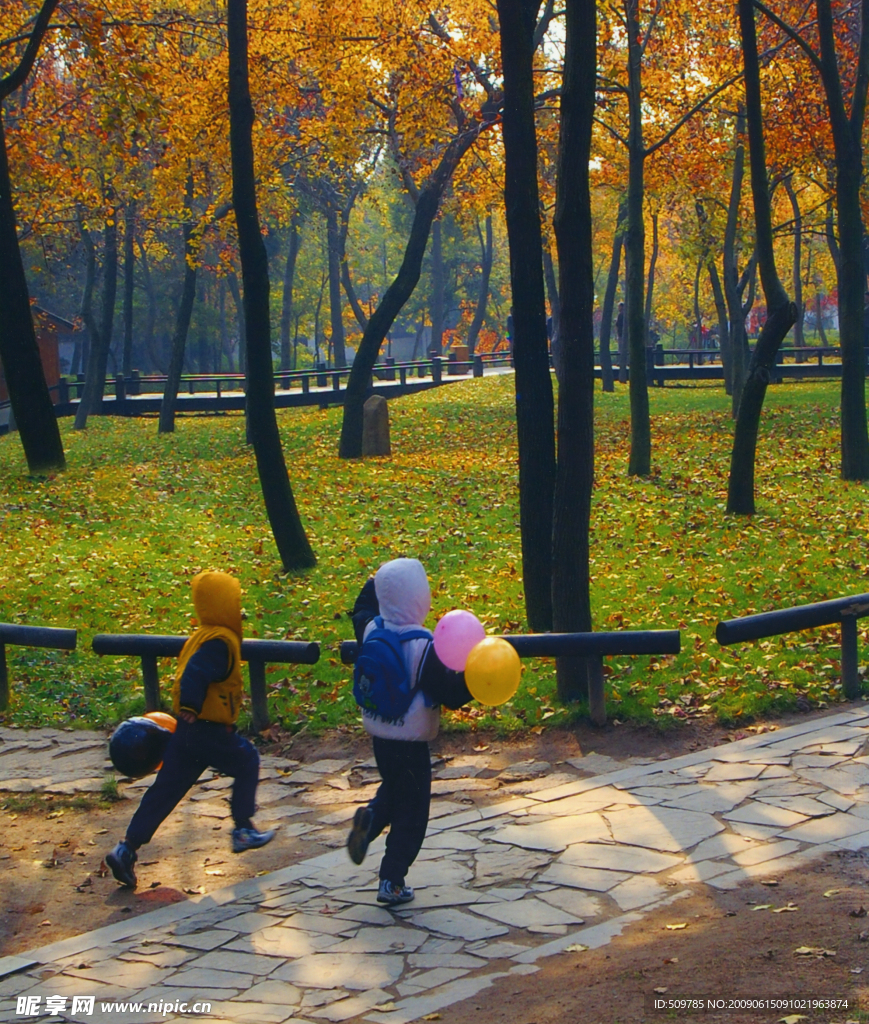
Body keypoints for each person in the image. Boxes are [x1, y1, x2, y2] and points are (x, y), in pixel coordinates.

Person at [106, 571, 275, 889]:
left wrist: (186, 713)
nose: (238, 609)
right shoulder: (220, 643)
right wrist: (192, 707)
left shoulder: (202, 635)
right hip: (208, 729)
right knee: (247, 760)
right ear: (222, 605)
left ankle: (126, 848)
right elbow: (195, 673)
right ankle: (242, 828)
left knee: (165, 790)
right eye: (234, 602)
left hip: (186, 733)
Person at [346, 558, 471, 906]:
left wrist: (377, 583)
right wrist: (475, 674)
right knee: (413, 810)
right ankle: (392, 879)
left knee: (396, 787)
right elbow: (451, 694)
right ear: (422, 599)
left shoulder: (372, 630)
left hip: (380, 738)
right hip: (411, 742)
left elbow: (361, 609)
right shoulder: (425, 647)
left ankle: (369, 822)